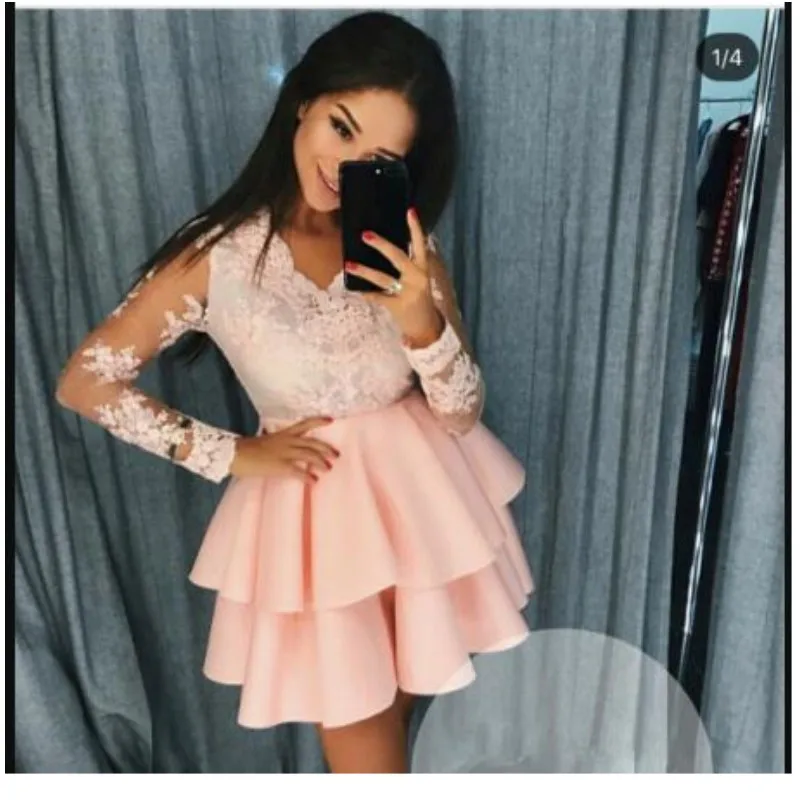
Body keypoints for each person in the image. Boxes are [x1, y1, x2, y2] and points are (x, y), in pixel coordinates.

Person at [55, 11, 534, 773]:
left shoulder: (403, 244)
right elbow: (87, 381)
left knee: (396, 722)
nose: (345, 166)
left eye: (378, 158)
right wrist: (231, 453)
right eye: (341, 128)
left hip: (427, 505)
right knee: (365, 743)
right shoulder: (216, 253)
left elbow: (461, 409)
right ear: (303, 100)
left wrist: (420, 318)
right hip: (320, 527)